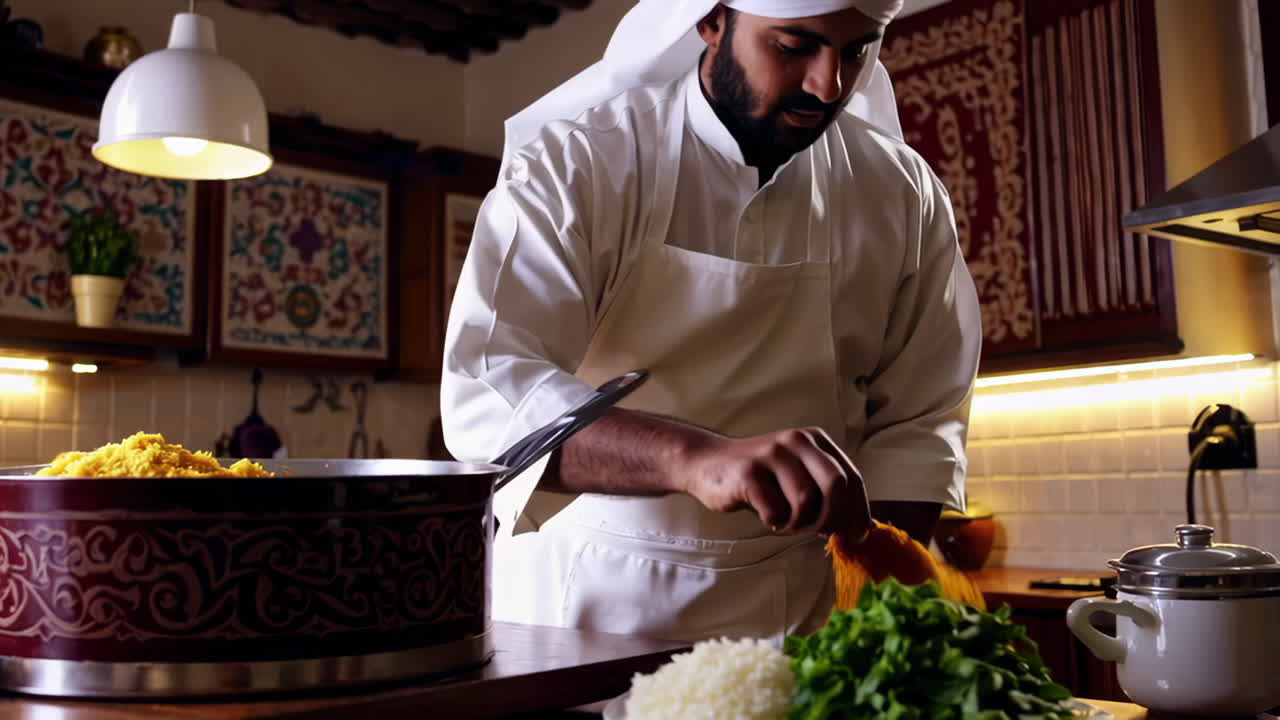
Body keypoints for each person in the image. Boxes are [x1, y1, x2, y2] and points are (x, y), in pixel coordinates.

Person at [440, 0, 982, 644]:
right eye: (792, 47)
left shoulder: (900, 193)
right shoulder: (580, 162)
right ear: (710, 21)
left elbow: (919, 418)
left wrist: (885, 606)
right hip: (586, 604)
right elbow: (487, 394)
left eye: (856, 51)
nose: (827, 84)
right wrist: (693, 458)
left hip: (809, 609)